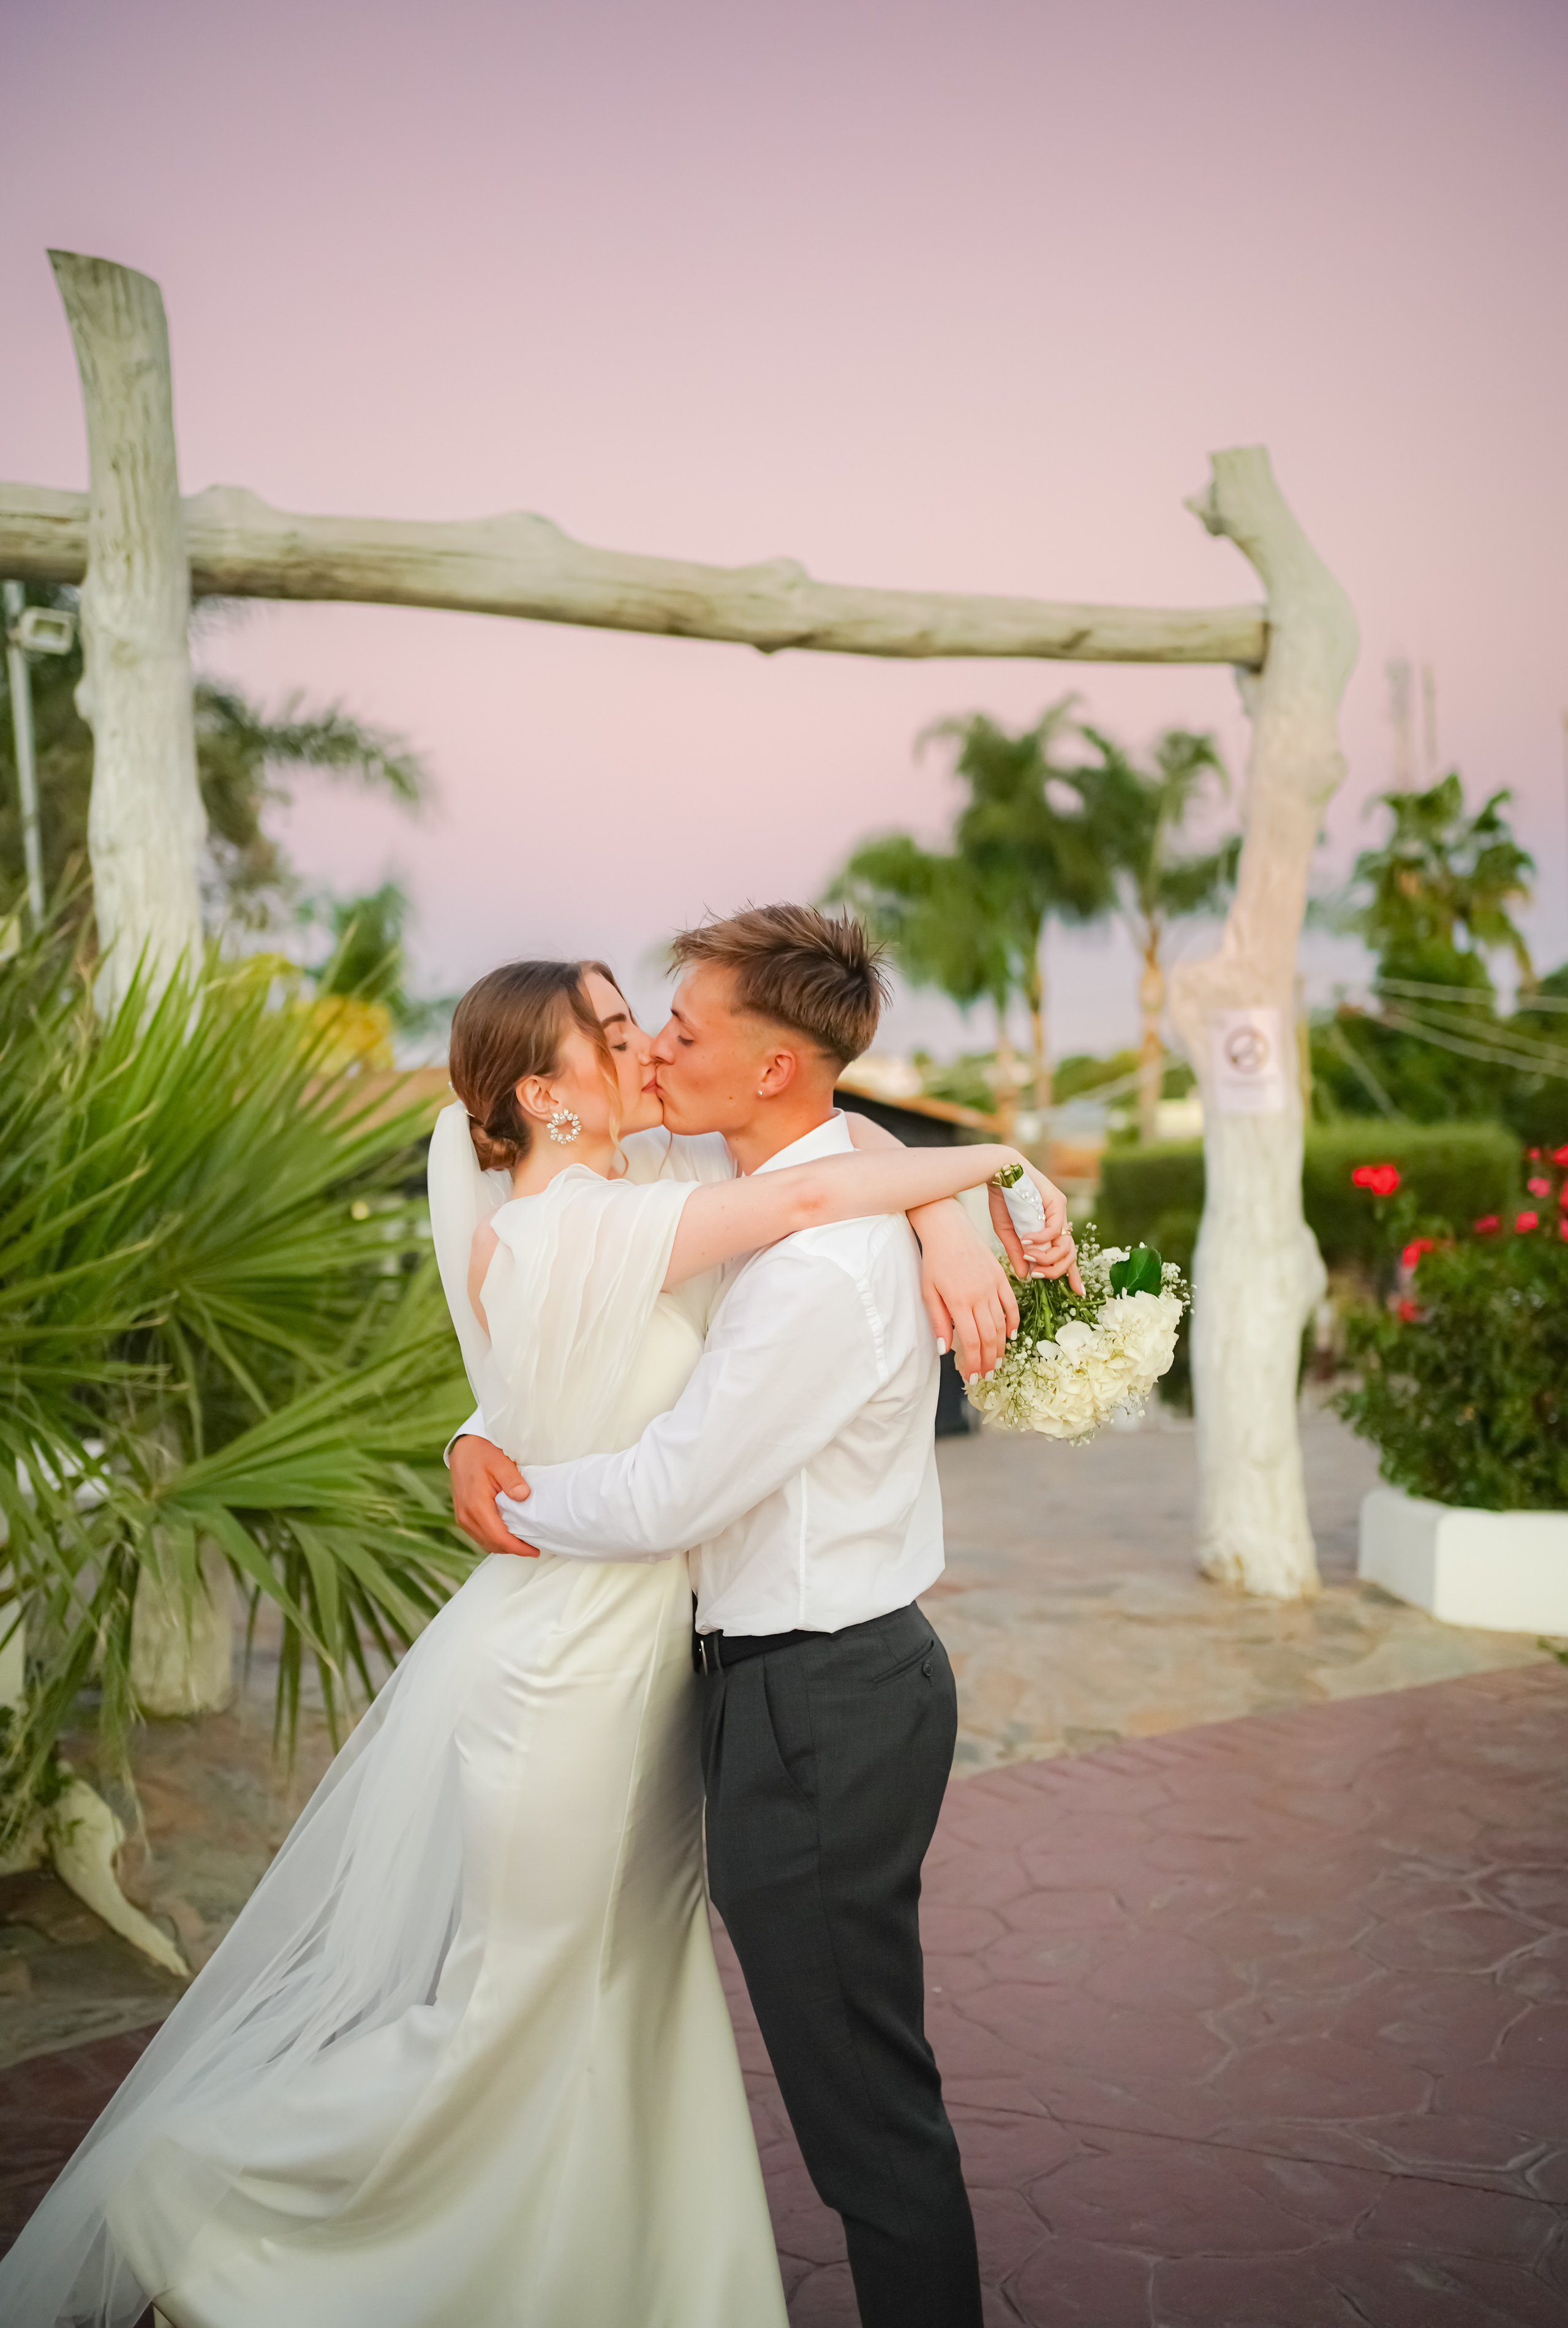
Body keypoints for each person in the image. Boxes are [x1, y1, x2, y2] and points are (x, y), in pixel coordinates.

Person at [0, 933, 1067, 2328]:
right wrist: (491, 1444)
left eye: (666, 1027)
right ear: (549, 1097)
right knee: (520, 2006)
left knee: (665, 2013)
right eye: (626, 1031)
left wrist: (969, 1185)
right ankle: (215, 2205)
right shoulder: (617, 1201)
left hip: (727, 1673)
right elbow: (749, 1232)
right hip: (587, 1664)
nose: (650, 1050)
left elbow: (828, 1151)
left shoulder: (683, 1182)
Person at [450, 905, 1079, 2328]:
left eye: (682, 1033)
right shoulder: (759, 1170)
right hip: (787, 1689)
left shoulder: (816, 1270)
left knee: (863, 2108)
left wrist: (504, 1498)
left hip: (821, 1701)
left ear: (774, 1073)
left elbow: (679, 1489)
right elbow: (845, 1146)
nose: (655, 1054)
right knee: (855, 2079)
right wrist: (943, 1192)